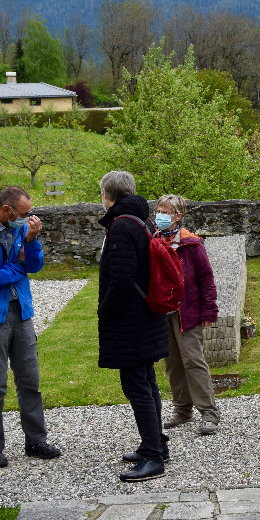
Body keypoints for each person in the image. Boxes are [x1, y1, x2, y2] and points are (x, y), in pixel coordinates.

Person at [0, 186, 61, 469]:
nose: (29, 218)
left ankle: (36, 441)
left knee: (30, 379)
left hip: (22, 313)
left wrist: (31, 240)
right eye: (25, 214)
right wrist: (18, 269)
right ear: (7, 210)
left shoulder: (20, 229)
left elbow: (35, 265)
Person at [97, 171, 170, 482]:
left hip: (131, 319)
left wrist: (104, 310)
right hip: (147, 315)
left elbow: (122, 279)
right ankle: (155, 444)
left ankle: (153, 457)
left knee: (136, 385)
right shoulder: (143, 219)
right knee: (146, 379)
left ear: (108, 195)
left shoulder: (122, 225)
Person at [154, 195, 221, 436]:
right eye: (158, 210)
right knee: (172, 363)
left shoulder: (191, 244)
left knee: (193, 361)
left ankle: (209, 414)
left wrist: (209, 310)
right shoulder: (152, 240)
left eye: (165, 211)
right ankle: (182, 410)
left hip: (187, 312)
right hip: (163, 312)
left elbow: (206, 279)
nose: (159, 215)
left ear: (178, 216)